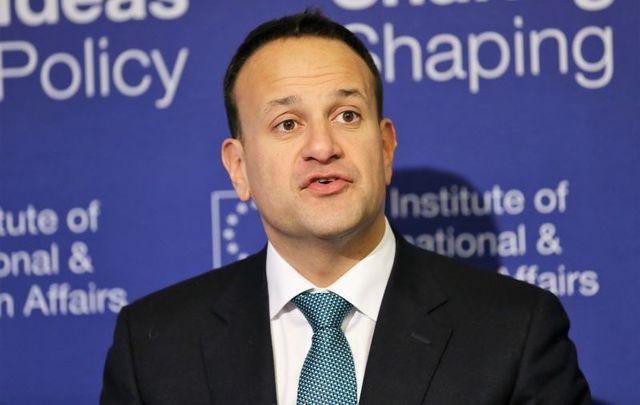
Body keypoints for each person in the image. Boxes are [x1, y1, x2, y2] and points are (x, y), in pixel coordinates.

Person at [101, 10, 591, 405]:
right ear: (239, 167)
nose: (322, 146)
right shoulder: (154, 346)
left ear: (384, 148)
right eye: (287, 123)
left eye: (347, 115)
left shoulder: (515, 332)